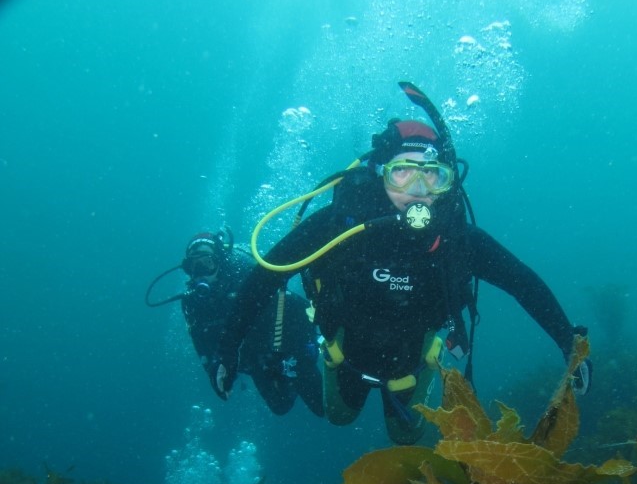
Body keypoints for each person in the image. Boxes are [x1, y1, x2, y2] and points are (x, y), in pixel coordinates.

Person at [212, 82, 592, 444]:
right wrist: (228, 345)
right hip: (345, 353)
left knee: (407, 437)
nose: (417, 189)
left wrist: (568, 343)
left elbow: (521, 282)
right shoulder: (337, 225)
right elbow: (267, 276)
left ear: (448, 183)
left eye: (433, 175)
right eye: (402, 172)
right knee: (340, 416)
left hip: (414, 361)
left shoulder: (458, 240)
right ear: (380, 175)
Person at [146, 227, 324, 418]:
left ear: (220, 262)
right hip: (254, 359)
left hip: (289, 344)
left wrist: (304, 349)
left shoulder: (247, 275)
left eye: (206, 264)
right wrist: (213, 370)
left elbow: (298, 306)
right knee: (281, 406)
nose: (201, 274)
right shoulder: (192, 302)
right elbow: (200, 342)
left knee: (321, 406)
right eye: (193, 267)